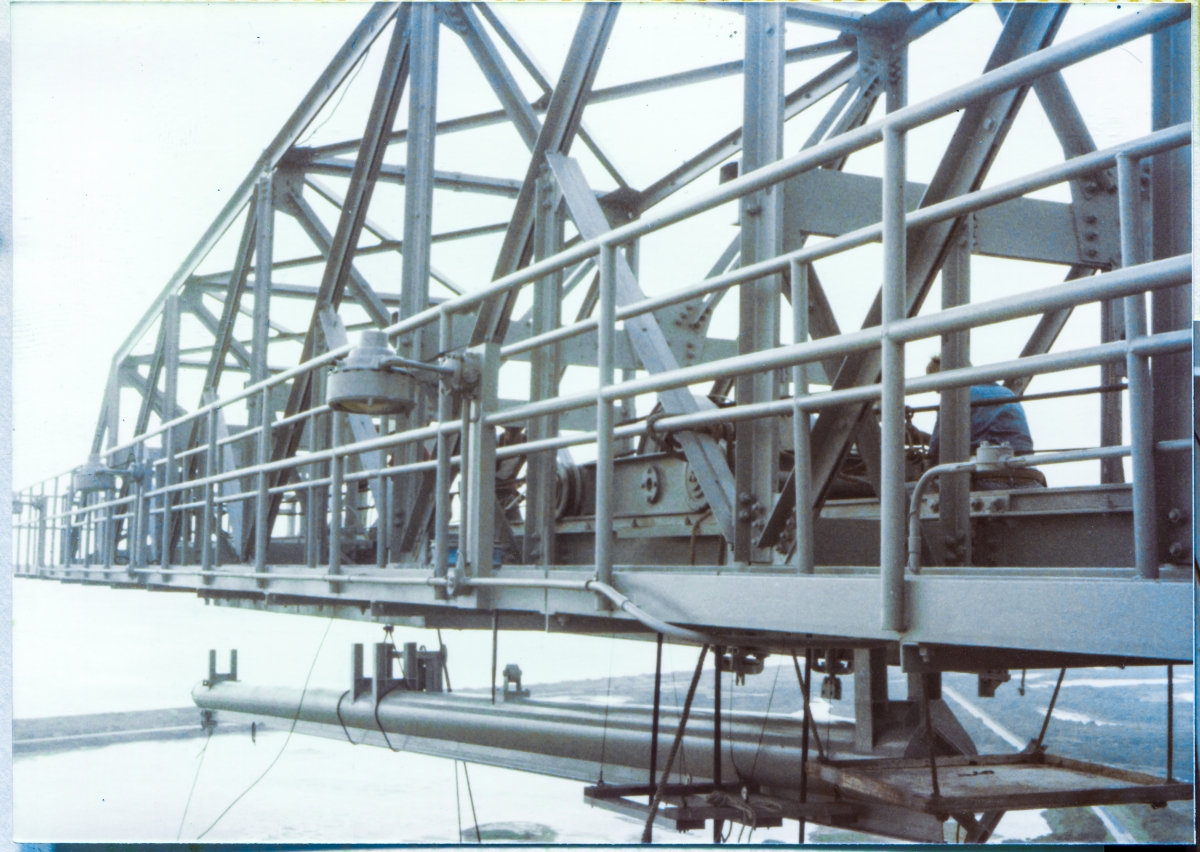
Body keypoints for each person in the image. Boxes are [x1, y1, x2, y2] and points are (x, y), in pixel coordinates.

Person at [925, 355, 1034, 465]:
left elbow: (937, 447)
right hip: (1026, 464)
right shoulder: (1007, 392)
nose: (938, 393)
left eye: (938, 388)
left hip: (987, 468)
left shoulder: (956, 396)